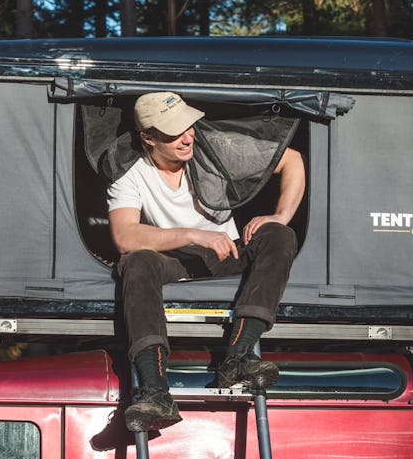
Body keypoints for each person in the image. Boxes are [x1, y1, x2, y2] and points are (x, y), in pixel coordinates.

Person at [107, 91, 304, 432]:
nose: (188, 137)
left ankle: (239, 356)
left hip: (226, 255)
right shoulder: (131, 173)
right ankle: (155, 392)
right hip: (175, 262)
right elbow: (125, 236)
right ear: (148, 137)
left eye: (189, 127)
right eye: (175, 132)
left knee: (279, 235)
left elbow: (292, 159)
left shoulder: (214, 149)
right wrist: (194, 235)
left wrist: (280, 215)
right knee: (136, 262)